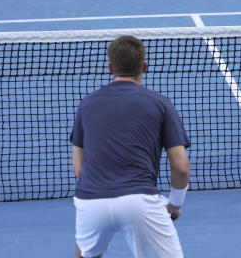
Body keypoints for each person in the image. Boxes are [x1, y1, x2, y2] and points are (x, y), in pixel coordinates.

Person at [71, 35, 191, 258]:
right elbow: (181, 167)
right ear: (144, 66)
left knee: (86, 254)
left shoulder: (86, 104)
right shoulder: (160, 103)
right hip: (139, 202)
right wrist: (175, 204)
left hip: (91, 201)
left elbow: (79, 170)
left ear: (110, 67)